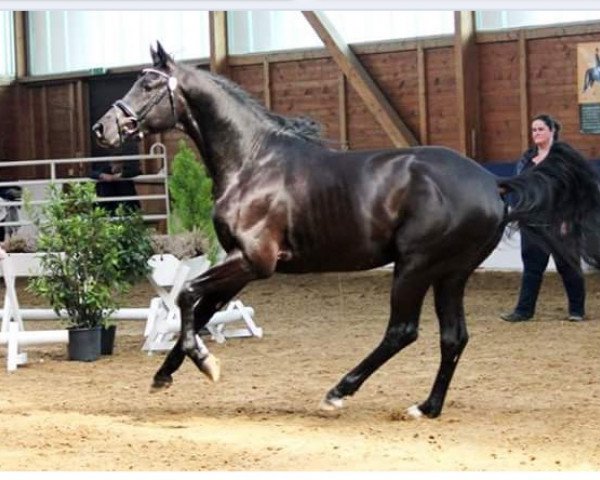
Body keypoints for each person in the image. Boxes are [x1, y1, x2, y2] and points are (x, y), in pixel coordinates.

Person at [501, 114, 586, 323]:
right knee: (532, 269)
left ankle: (576, 310)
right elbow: (521, 186)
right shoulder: (526, 160)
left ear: (552, 131)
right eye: (534, 130)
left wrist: (568, 219)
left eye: (540, 129)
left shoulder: (563, 159)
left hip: (560, 222)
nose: (536, 133)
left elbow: (573, 190)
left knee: (568, 267)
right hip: (532, 223)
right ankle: (523, 311)